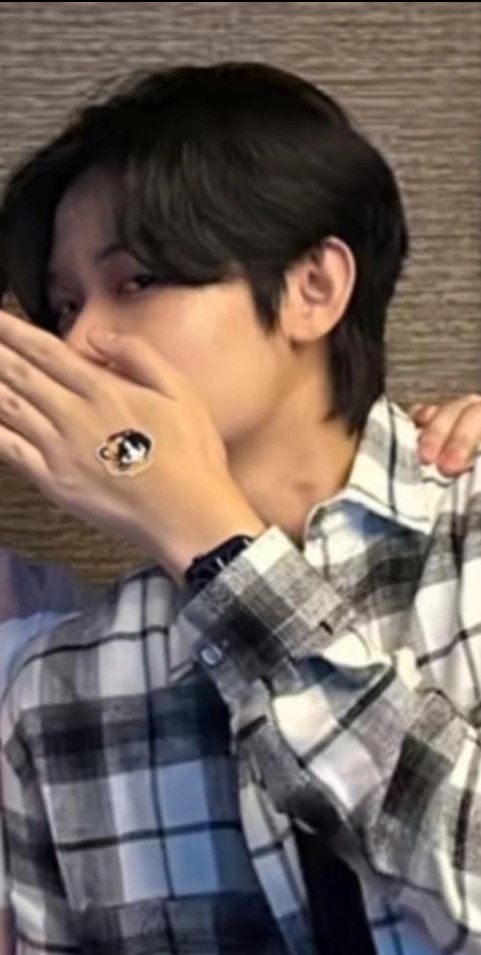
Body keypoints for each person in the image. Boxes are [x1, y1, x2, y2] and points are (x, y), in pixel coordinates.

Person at [1, 62, 481, 955]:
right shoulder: (55, 691)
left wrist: (216, 544)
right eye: (63, 306)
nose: (80, 342)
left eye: (135, 281)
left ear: (313, 287)